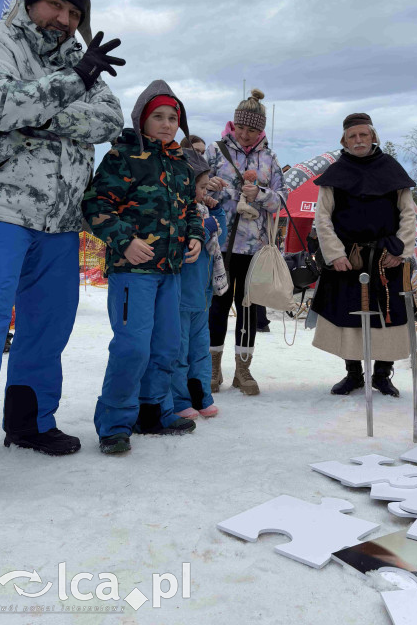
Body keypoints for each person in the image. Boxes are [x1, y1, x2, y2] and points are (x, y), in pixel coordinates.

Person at [0, 0, 125, 456]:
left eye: (73, 12)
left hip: (62, 221)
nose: (65, 19)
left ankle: (30, 422)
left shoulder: (78, 58)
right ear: (29, 0)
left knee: (47, 327)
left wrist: (36, 115)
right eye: (55, 4)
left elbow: (109, 119)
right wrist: (71, 85)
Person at [82, 81, 205, 454]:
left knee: (166, 345)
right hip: (132, 273)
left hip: (170, 271)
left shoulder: (182, 164)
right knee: (132, 347)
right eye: (159, 117)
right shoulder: (122, 157)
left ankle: (152, 412)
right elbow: (95, 205)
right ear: (141, 119)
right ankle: (115, 423)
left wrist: (195, 236)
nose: (167, 124)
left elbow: (190, 210)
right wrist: (125, 240)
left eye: (173, 118)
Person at [311, 113, 417, 397]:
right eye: (352, 136)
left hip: (387, 258)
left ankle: (382, 375)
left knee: (388, 317)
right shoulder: (336, 173)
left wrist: (402, 251)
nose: (358, 140)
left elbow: (408, 214)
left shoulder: (391, 169)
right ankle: (354, 374)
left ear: (373, 137)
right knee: (349, 317)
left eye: (363, 135)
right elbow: (323, 218)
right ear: (344, 140)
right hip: (349, 258)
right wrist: (334, 254)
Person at [205, 89, 286, 395]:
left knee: (249, 307)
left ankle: (243, 369)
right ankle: (212, 368)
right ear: (233, 124)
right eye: (241, 128)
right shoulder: (214, 152)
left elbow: (282, 199)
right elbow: (195, 190)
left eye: (252, 130)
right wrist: (214, 189)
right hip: (220, 244)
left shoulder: (270, 157)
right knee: (218, 305)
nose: (245, 134)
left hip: (255, 247)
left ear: (261, 129)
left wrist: (261, 195)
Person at [170, 150, 228, 419]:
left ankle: (202, 395)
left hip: (203, 296)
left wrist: (216, 211)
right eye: (202, 187)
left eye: (207, 187)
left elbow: (220, 236)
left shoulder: (205, 209)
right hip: (180, 297)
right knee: (179, 352)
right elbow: (180, 242)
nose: (205, 192)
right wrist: (205, 225)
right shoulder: (174, 211)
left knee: (200, 352)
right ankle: (179, 399)